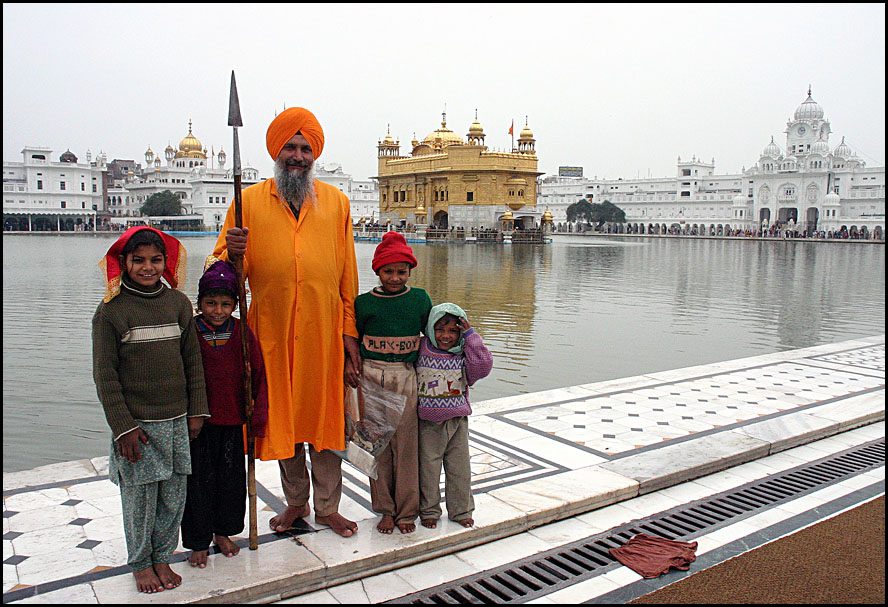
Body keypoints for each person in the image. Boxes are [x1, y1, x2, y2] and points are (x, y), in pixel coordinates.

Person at [210, 106, 361, 537]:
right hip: (270, 332)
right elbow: (222, 281)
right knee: (283, 419)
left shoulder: (336, 203)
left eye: (305, 148)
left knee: (326, 422)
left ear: (315, 154)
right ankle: (297, 503)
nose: (298, 155)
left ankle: (328, 506)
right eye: (290, 147)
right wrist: (232, 253)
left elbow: (348, 274)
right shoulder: (248, 203)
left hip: (325, 332)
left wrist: (350, 333)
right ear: (277, 151)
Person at [92, 226, 209, 593]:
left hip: (176, 420)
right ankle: (141, 563)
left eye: (155, 260)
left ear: (166, 262)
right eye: (138, 260)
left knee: (173, 498)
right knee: (140, 501)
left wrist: (197, 410)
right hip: (138, 426)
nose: (147, 267)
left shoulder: (177, 303)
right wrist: (123, 427)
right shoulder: (111, 311)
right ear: (123, 263)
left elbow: (192, 360)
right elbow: (105, 376)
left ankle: (162, 556)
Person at [181, 260, 269, 568]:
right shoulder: (190, 331)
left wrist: (258, 418)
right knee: (198, 483)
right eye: (210, 303)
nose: (217, 311)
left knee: (230, 483)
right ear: (199, 302)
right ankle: (197, 540)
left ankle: (223, 532)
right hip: (199, 424)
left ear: (234, 304)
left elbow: (258, 375)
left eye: (225, 304)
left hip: (233, 421)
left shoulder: (242, 332)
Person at [354, 232, 432, 534]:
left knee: (407, 446)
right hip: (372, 378)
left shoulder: (419, 299)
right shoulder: (364, 304)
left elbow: (435, 333)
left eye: (401, 271)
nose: (395, 278)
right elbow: (353, 339)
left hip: (405, 376)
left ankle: (407, 511)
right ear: (377, 271)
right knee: (379, 447)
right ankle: (385, 509)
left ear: (410, 271)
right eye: (388, 271)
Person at [416, 303, 492, 529]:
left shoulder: (463, 355)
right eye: (440, 329)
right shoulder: (422, 348)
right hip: (427, 423)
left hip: (456, 421)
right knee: (428, 469)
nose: (446, 336)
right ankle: (429, 510)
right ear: (430, 328)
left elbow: (484, 366)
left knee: (459, 469)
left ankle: (461, 510)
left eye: (453, 331)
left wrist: (471, 336)